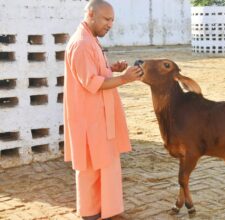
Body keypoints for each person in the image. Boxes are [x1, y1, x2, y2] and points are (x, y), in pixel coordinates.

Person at [63, 0, 142, 219]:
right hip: (89, 117)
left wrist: (110, 69)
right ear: (91, 14)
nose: (110, 25)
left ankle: (104, 210)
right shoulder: (81, 43)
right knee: (90, 167)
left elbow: (95, 73)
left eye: (112, 21)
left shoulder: (90, 40)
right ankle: (90, 213)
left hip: (98, 116)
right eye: (107, 19)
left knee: (104, 165)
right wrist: (124, 79)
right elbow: (91, 83)